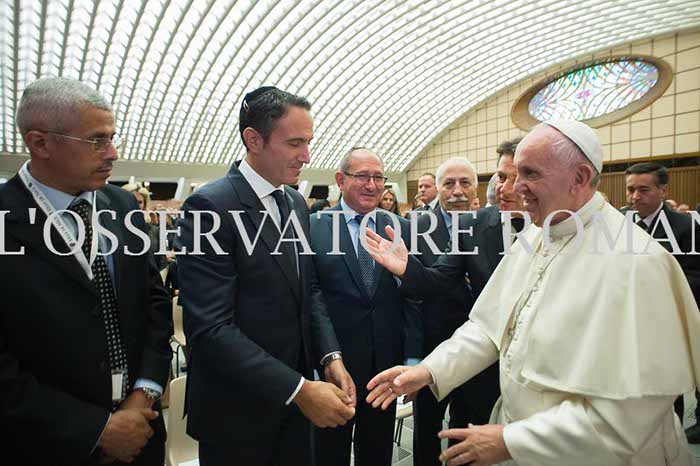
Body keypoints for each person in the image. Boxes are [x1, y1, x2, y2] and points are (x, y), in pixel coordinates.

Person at [364, 120, 700, 466]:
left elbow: (628, 419)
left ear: (580, 177)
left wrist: (512, 440)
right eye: (509, 176)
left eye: (530, 174)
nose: (510, 188)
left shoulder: (640, 263)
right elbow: (489, 327)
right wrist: (430, 370)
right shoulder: (537, 236)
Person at [177, 86, 355, 466]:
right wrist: (299, 389)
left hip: (294, 411)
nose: (307, 156)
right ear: (253, 140)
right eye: (295, 143)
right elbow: (210, 329)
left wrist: (330, 356)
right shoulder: (210, 206)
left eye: (308, 142)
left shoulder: (293, 202)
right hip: (237, 415)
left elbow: (308, 290)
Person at [0, 77, 173, 465]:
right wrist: (95, 429)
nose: (112, 153)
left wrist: (142, 395)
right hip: (46, 446)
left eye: (113, 137)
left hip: (141, 433)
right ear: (40, 143)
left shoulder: (122, 208)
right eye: (97, 140)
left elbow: (155, 304)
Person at [309, 147, 421, 466]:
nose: (372, 185)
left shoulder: (400, 228)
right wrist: (327, 357)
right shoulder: (314, 227)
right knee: (329, 452)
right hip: (334, 368)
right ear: (340, 180)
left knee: (378, 452)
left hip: (385, 368)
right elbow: (312, 298)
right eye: (362, 176)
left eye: (378, 178)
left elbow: (413, 296)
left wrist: (412, 358)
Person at [625, 162, 700, 436]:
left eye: (643, 190)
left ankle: (672, 437)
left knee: (667, 384)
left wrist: (654, 289)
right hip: (629, 319)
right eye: (630, 190)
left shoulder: (685, 225)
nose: (634, 197)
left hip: (666, 319)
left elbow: (695, 274)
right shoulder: (621, 225)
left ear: (662, 190)